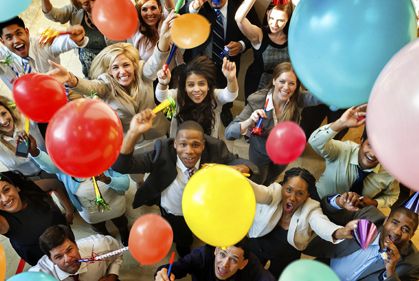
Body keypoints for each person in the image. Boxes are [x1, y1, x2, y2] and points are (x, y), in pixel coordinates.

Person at [112, 110, 258, 257]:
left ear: (203, 145)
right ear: (174, 144)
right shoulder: (161, 150)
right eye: (183, 144)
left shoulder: (216, 150)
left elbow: (247, 164)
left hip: (203, 209)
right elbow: (121, 166)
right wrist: (133, 133)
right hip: (173, 210)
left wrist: (239, 168)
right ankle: (183, 249)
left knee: (199, 232)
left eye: (195, 145)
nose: (189, 151)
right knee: (181, 238)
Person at [47, 12, 175, 138]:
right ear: (109, 71)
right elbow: (91, 87)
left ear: (134, 65)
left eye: (126, 65)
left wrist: (164, 37)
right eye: (115, 67)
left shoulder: (142, 72)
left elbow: (157, 60)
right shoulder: (106, 83)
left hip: (157, 133)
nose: (122, 71)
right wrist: (71, 78)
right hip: (130, 142)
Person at [247, 167, 355, 278]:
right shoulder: (274, 192)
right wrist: (238, 178)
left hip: (286, 256)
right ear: (282, 186)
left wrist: (341, 231)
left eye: (300, 193)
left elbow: (322, 224)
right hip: (257, 243)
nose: (292, 198)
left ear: (307, 195)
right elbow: (256, 190)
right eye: (289, 190)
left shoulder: (311, 207)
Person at [225, 61, 320, 185]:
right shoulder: (257, 101)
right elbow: (229, 133)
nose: (286, 87)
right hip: (260, 152)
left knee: (271, 179)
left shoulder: (297, 99)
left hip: (284, 154)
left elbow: (320, 97)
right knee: (258, 180)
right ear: (274, 80)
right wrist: (249, 121)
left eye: (291, 83)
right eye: (282, 81)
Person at [27, 133, 131, 246]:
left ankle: (124, 234)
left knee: (121, 222)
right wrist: (35, 153)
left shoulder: (107, 159)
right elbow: (51, 166)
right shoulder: (66, 168)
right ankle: (107, 238)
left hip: (115, 206)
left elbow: (125, 184)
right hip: (91, 214)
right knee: (99, 228)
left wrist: (108, 180)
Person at [305, 191, 419, 281]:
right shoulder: (368, 216)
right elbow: (327, 209)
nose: (397, 232)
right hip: (322, 271)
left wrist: (391, 273)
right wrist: (339, 201)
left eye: (406, 229)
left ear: (412, 235)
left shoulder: (413, 263)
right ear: (386, 220)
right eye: (394, 222)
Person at [0, 96, 74, 224]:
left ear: (9, 110)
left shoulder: (28, 121)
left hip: (51, 166)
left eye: (3, 113)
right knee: (48, 207)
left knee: (68, 194)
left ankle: (73, 211)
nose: (3, 121)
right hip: (28, 180)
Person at [308, 105, 400, 208]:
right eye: (370, 145)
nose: (373, 154)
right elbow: (314, 142)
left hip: (349, 217)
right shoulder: (343, 150)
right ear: (361, 141)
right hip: (317, 201)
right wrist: (340, 123)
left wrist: (375, 203)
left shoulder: (390, 173)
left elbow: (393, 196)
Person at [186, 0, 260, 126]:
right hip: (200, 60)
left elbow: (257, 31)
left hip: (228, 62)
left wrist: (241, 45)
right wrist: (194, 7)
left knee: (227, 90)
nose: (215, 2)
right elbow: (182, 18)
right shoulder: (197, 4)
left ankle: (225, 110)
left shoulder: (242, 5)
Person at [156, 55, 238, 138]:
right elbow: (162, 97)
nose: (196, 89)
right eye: (191, 85)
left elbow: (230, 95)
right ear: (184, 87)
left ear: (208, 86)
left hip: (208, 146)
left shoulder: (215, 96)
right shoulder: (178, 95)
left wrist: (231, 79)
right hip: (180, 147)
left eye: (201, 84)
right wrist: (163, 83)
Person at [0, 16, 88, 89]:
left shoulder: (42, 43)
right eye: (9, 38)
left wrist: (76, 39)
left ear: (27, 32)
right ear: (2, 42)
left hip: (62, 92)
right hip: (32, 106)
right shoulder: (3, 59)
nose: (16, 41)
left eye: (19, 33)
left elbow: (61, 43)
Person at [0, 171, 67, 265]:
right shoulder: (3, 222)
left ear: (16, 187)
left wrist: (69, 210)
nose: (5, 198)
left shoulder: (31, 191)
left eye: (6, 190)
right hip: (44, 259)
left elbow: (55, 184)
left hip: (65, 238)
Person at [41, 0, 118, 77]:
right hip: (88, 66)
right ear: (79, 4)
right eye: (86, 3)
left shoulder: (115, 11)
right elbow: (52, 14)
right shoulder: (75, 10)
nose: (93, 6)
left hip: (111, 65)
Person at [235, 0, 292, 100]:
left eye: (280, 20)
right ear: (267, 14)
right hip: (258, 85)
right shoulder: (259, 34)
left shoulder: (293, 38)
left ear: (288, 19)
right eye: (271, 18)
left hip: (283, 87)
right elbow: (239, 19)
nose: (274, 24)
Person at [30, 224, 123, 281]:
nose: (68, 259)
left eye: (69, 250)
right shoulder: (39, 275)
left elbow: (118, 253)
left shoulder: (102, 246)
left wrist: (112, 275)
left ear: (76, 244)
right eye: (58, 257)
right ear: (51, 260)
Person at [154, 239, 275, 281]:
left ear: (243, 264)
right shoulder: (201, 255)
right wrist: (161, 274)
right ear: (216, 251)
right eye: (222, 254)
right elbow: (179, 267)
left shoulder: (251, 264)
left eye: (233, 260)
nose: (224, 265)